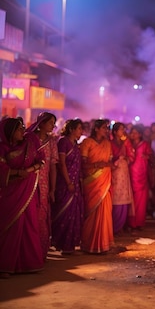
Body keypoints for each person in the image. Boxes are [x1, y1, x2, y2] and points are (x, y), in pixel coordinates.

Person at [0, 118, 45, 277]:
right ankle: (5, 265)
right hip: (10, 193)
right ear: (10, 132)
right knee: (10, 227)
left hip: (27, 192)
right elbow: (2, 170)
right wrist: (19, 173)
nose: (22, 131)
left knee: (29, 225)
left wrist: (31, 169)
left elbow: (41, 160)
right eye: (19, 129)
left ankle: (27, 263)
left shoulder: (29, 144)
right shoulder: (2, 148)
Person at [26, 112, 59, 261]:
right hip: (28, 181)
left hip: (44, 184)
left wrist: (52, 189)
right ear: (42, 123)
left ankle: (41, 250)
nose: (53, 125)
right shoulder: (29, 139)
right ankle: (28, 252)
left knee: (42, 215)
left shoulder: (52, 142)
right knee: (30, 214)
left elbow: (53, 167)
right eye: (51, 122)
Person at [79, 119, 114, 254]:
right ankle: (89, 244)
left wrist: (109, 166)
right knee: (91, 211)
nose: (106, 130)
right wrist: (97, 165)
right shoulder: (87, 143)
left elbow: (109, 162)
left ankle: (103, 243)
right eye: (104, 128)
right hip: (91, 182)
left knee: (104, 210)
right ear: (97, 129)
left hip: (105, 181)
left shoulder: (107, 143)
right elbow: (83, 164)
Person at [51, 119, 84, 255]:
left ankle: (68, 246)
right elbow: (62, 164)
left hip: (74, 182)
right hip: (65, 183)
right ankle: (59, 242)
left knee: (73, 213)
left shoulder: (75, 144)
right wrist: (68, 182)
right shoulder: (63, 142)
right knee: (63, 213)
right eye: (79, 128)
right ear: (71, 129)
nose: (81, 131)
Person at [127, 125, 153, 231]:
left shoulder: (145, 144)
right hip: (129, 174)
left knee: (140, 200)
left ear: (140, 134)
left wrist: (147, 157)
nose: (133, 135)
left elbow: (151, 156)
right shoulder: (128, 144)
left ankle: (139, 222)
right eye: (132, 132)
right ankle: (130, 223)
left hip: (141, 175)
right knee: (130, 199)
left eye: (136, 133)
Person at [110, 122, 134, 234]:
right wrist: (116, 159)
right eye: (120, 129)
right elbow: (108, 158)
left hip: (124, 173)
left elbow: (131, 156)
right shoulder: (110, 144)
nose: (123, 131)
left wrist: (126, 159)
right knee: (115, 199)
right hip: (115, 173)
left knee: (124, 198)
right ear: (114, 132)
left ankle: (120, 226)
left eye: (123, 129)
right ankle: (114, 226)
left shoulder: (126, 142)